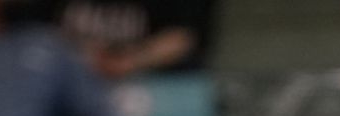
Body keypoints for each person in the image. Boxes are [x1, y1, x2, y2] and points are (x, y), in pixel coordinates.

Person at [43, 0, 215, 78]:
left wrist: (135, 59)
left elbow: (184, 36)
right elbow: (29, 34)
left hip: (148, 86)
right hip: (64, 81)